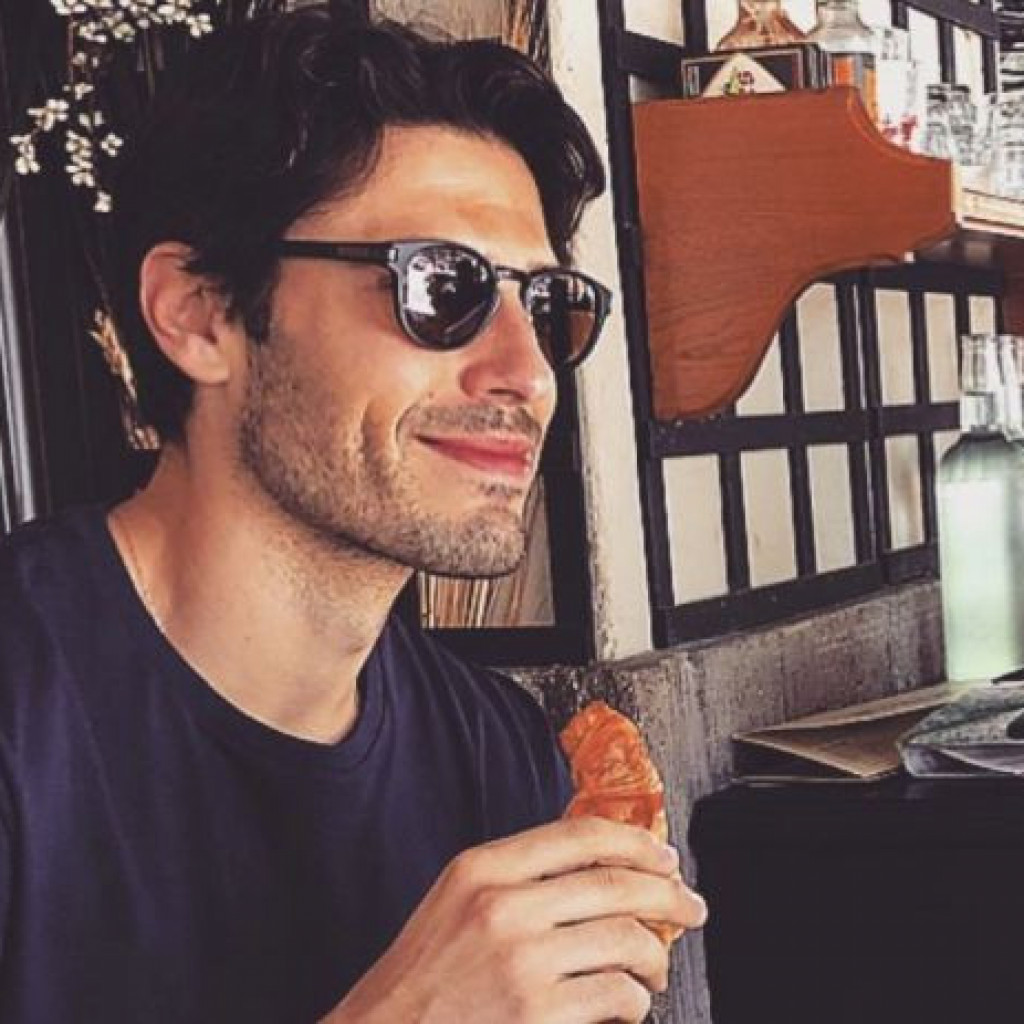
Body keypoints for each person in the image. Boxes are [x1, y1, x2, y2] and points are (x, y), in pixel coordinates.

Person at [0, 5, 707, 1022]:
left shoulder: (499, 755)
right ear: (200, 315)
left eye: (548, 306)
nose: (527, 373)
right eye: (441, 287)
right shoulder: (27, 715)